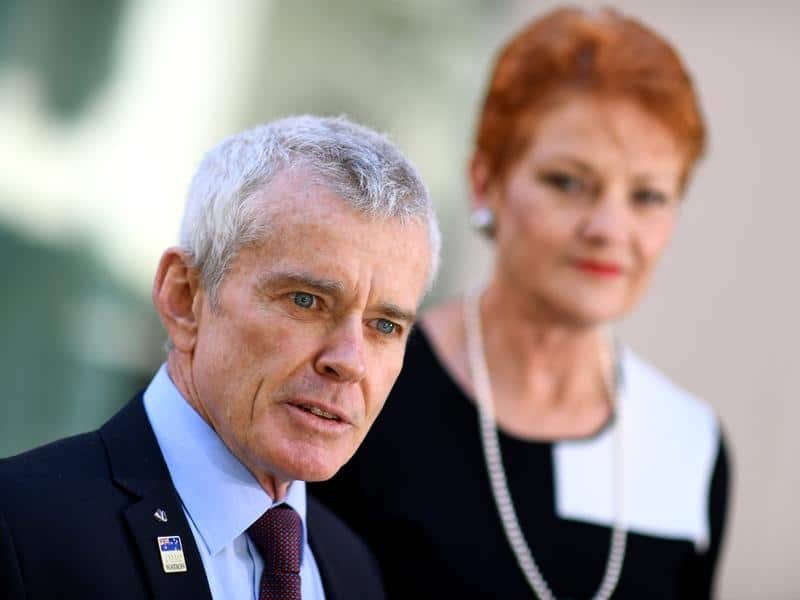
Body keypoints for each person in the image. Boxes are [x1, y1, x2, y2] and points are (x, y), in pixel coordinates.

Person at [312, 8, 729, 600]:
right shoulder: (365, 384)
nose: (610, 227)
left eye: (648, 196)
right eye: (569, 182)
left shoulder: (688, 445)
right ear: (486, 183)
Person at [0, 115, 440, 600]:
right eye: (305, 300)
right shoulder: (20, 528)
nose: (350, 361)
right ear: (185, 297)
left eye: (384, 326)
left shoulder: (353, 571)